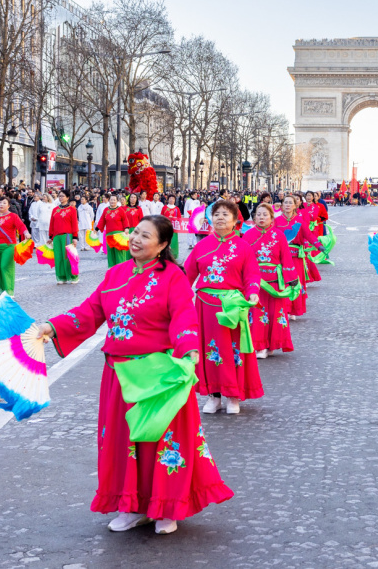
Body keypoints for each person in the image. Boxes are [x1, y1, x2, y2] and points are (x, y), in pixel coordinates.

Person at [36, 215, 233, 535]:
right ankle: (131, 506)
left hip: (157, 375)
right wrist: (52, 326)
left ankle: (167, 508)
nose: (136, 240)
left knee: (162, 440)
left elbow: (183, 316)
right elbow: (89, 312)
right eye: (135, 233)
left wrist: (189, 352)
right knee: (123, 441)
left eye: (146, 236)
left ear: (163, 245)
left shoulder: (173, 277)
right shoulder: (115, 274)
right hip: (119, 374)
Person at [185, 200, 263, 415]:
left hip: (231, 309)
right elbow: (188, 274)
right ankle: (213, 395)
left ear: (235, 220)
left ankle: (233, 396)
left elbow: (252, 275)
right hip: (205, 307)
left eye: (225, 215)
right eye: (216, 214)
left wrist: (253, 292)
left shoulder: (243, 246)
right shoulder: (201, 245)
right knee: (210, 351)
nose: (220, 218)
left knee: (232, 352)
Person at [243, 203, 299, 360]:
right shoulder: (247, 236)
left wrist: (292, 281)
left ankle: (271, 345)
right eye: (258, 215)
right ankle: (259, 346)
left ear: (271, 218)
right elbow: (243, 260)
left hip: (274, 283)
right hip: (255, 283)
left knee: (274, 314)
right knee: (258, 313)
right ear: (254, 218)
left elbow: (286, 260)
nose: (261, 217)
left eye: (265, 215)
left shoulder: (279, 236)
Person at [274, 195, 323, 319]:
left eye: (291, 203)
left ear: (295, 206)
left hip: (296, 257)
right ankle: (284, 308)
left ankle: (294, 309)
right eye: (285, 202)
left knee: (295, 282)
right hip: (281, 257)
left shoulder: (299, 221)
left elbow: (308, 235)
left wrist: (318, 245)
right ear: (282, 205)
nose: (288, 205)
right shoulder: (276, 221)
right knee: (283, 282)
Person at [48, 190, 80, 285]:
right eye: (60, 196)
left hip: (67, 236)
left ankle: (73, 277)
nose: (61, 198)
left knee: (68, 257)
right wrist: (50, 236)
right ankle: (61, 277)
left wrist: (75, 237)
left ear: (67, 197)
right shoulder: (55, 210)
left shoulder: (72, 209)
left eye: (63, 196)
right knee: (58, 257)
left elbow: (74, 223)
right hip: (56, 237)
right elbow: (52, 223)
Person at [96, 195, 131, 268]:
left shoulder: (120, 209)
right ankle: (111, 270)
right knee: (111, 253)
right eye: (111, 200)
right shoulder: (106, 210)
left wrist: (126, 228)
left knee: (119, 252)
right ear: (109, 201)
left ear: (117, 201)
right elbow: (102, 220)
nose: (112, 201)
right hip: (109, 234)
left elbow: (125, 219)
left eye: (114, 200)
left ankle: (121, 269)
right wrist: (96, 229)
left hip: (119, 234)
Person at [161, 195, 183, 259]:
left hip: (174, 228)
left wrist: (174, 218)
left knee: (174, 241)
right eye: (170, 198)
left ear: (175, 200)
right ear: (168, 200)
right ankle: (165, 254)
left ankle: (174, 254)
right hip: (165, 227)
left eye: (173, 199)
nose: (171, 200)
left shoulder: (176, 208)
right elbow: (161, 216)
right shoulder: (164, 208)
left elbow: (179, 218)